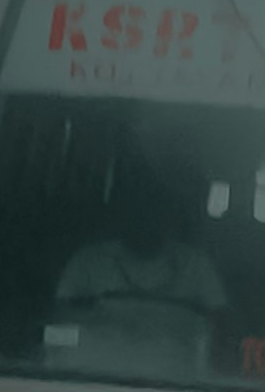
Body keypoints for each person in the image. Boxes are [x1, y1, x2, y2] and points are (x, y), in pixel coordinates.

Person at [51, 136, 232, 370]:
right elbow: (60, 322)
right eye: (140, 211)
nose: (147, 221)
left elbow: (221, 326)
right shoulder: (88, 261)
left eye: (157, 212)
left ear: (171, 219)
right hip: (94, 377)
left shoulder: (196, 265)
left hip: (179, 386)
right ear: (123, 214)